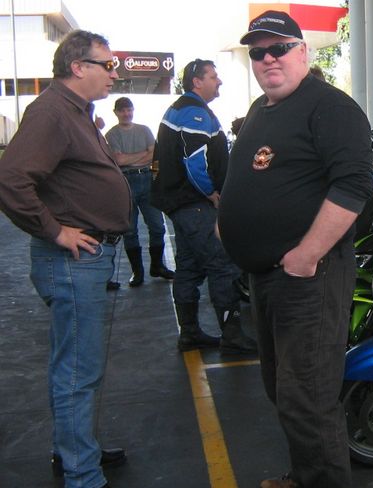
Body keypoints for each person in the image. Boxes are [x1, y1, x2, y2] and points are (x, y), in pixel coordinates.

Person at [217, 10, 373, 488]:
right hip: (266, 276)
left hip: (310, 277)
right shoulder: (261, 110)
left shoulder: (330, 107)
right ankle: (305, 476)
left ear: (303, 52)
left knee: (308, 396)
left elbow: (353, 186)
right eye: (258, 52)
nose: (268, 59)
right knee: (282, 389)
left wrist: (307, 254)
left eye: (279, 48)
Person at [0, 30, 130, 488]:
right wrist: (55, 231)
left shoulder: (74, 112)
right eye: (107, 65)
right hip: (75, 262)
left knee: (77, 366)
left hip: (87, 260)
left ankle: (76, 451)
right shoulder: (53, 112)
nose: (113, 75)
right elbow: (11, 181)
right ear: (78, 67)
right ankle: (82, 473)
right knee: (77, 370)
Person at [150, 59, 256, 354]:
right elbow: (194, 160)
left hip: (181, 205)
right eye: (213, 76)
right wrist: (210, 192)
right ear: (197, 81)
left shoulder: (181, 109)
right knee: (222, 264)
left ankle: (190, 333)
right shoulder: (194, 113)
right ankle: (232, 335)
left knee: (188, 266)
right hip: (194, 205)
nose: (219, 81)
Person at [105, 96, 174, 286]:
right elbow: (119, 161)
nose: (126, 114)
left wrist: (132, 159)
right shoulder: (112, 134)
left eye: (129, 110)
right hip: (126, 182)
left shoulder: (144, 130)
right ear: (116, 113)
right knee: (129, 230)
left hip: (146, 179)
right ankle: (137, 272)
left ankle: (157, 265)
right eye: (122, 110)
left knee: (157, 226)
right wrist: (144, 154)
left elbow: (154, 156)